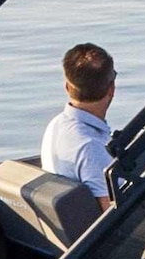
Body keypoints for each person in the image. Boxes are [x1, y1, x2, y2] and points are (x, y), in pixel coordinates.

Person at [39, 43, 118, 197]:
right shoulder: (92, 148)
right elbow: (113, 213)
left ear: (67, 87)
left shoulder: (55, 126)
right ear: (111, 89)